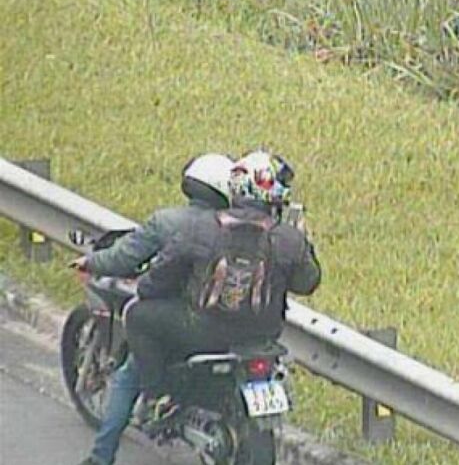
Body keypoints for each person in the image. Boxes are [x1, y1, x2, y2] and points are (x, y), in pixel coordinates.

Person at [124, 151, 321, 423]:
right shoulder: (288, 238)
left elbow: (160, 278)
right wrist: (304, 243)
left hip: (205, 331)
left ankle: (159, 394)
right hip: (262, 334)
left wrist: (146, 287)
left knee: (137, 315)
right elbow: (307, 283)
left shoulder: (201, 227)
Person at [76, 153, 235, 465]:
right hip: (230, 323)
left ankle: (101, 455)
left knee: (128, 374)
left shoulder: (168, 222)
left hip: (179, 322)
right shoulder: (237, 228)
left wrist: (91, 261)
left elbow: (124, 259)